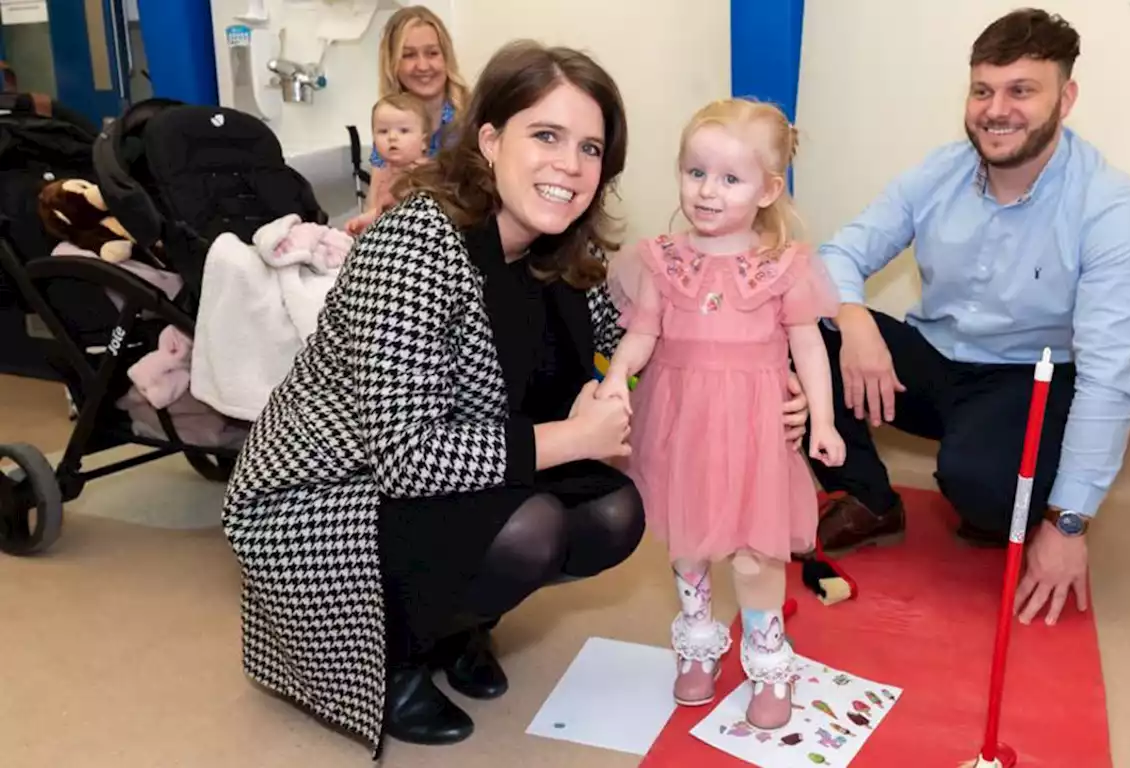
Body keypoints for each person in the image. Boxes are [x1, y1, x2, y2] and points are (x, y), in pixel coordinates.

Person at [221, 40, 812, 756]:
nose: (571, 164)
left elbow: (663, 344)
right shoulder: (413, 244)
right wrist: (576, 439)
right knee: (532, 526)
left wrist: (768, 387)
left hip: (448, 475)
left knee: (613, 511)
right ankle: (396, 654)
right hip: (323, 496)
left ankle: (451, 623)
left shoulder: (555, 249)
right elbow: (408, 457)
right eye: (547, 135)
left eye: (590, 147)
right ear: (491, 139)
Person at [809, 8, 1130, 627]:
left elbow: (1111, 380)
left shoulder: (1111, 208)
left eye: (1021, 90)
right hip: (936, 354)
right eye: (982, 90)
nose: (996, 109)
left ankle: (997, 504)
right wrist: (853, 317)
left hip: (1029, 376)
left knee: (983, 483)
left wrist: (1067, 524)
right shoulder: (938, 170)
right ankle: (870, 498)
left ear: (1066, 97)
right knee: (799, 331)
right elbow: (839, 253)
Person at [600, 98, 844, 730]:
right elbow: (642, 335)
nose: (707, 192)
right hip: (680, 424)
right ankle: (698, 641)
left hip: (756, 427)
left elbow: (809, 344)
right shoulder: (662, 260)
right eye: (695, 172)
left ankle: (767, 659)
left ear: (768, 189)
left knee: (755, 552)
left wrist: (823, 419)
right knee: (689, 542)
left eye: (730, 179)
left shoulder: (781, 266)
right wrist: (615, 383)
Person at [351, 6, 468, 235]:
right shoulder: (390, 123)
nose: (423, 66)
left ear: (446, 57)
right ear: (392, 64)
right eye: (409, 55)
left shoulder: (469, 119)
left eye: (432, 53)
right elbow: (376, 196)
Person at [345, 93, 431, 235]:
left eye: (404, 131)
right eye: (383, 131)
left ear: (424, 142)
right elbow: (385, 211)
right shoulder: (388, 171)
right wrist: (364, 220)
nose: (392, 137)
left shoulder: (425, 174)